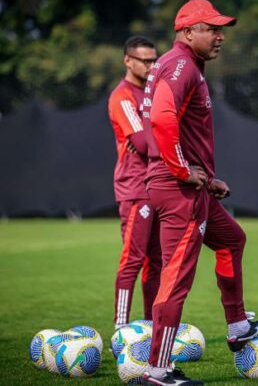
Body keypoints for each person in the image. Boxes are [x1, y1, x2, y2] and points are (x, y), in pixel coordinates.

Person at [140, 0, 258, 385]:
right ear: (186, 32)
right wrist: (184, 171)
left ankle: (236, 325)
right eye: (211, 29)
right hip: (176, 188)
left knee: (232, 239)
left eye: (221, 30)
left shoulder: (184, 65)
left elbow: (173, 126)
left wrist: (205, 178)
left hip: (188, 186)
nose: (220, 37)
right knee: (175, 280)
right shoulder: (181, 65)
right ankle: (158, 371)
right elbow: (162, 120)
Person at [108, 36, 162, 329]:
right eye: (145, 60)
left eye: (154, 60)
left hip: (157, 187)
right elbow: (142, 143)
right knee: (133, 259)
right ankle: (120, 329)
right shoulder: (122, 96)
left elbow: (153, 136)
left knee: (157, 262)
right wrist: (154, 136)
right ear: (127, 60)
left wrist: (152, 136)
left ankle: (151, 326)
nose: (152, 66)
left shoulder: (153, 94)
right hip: (135, 189)